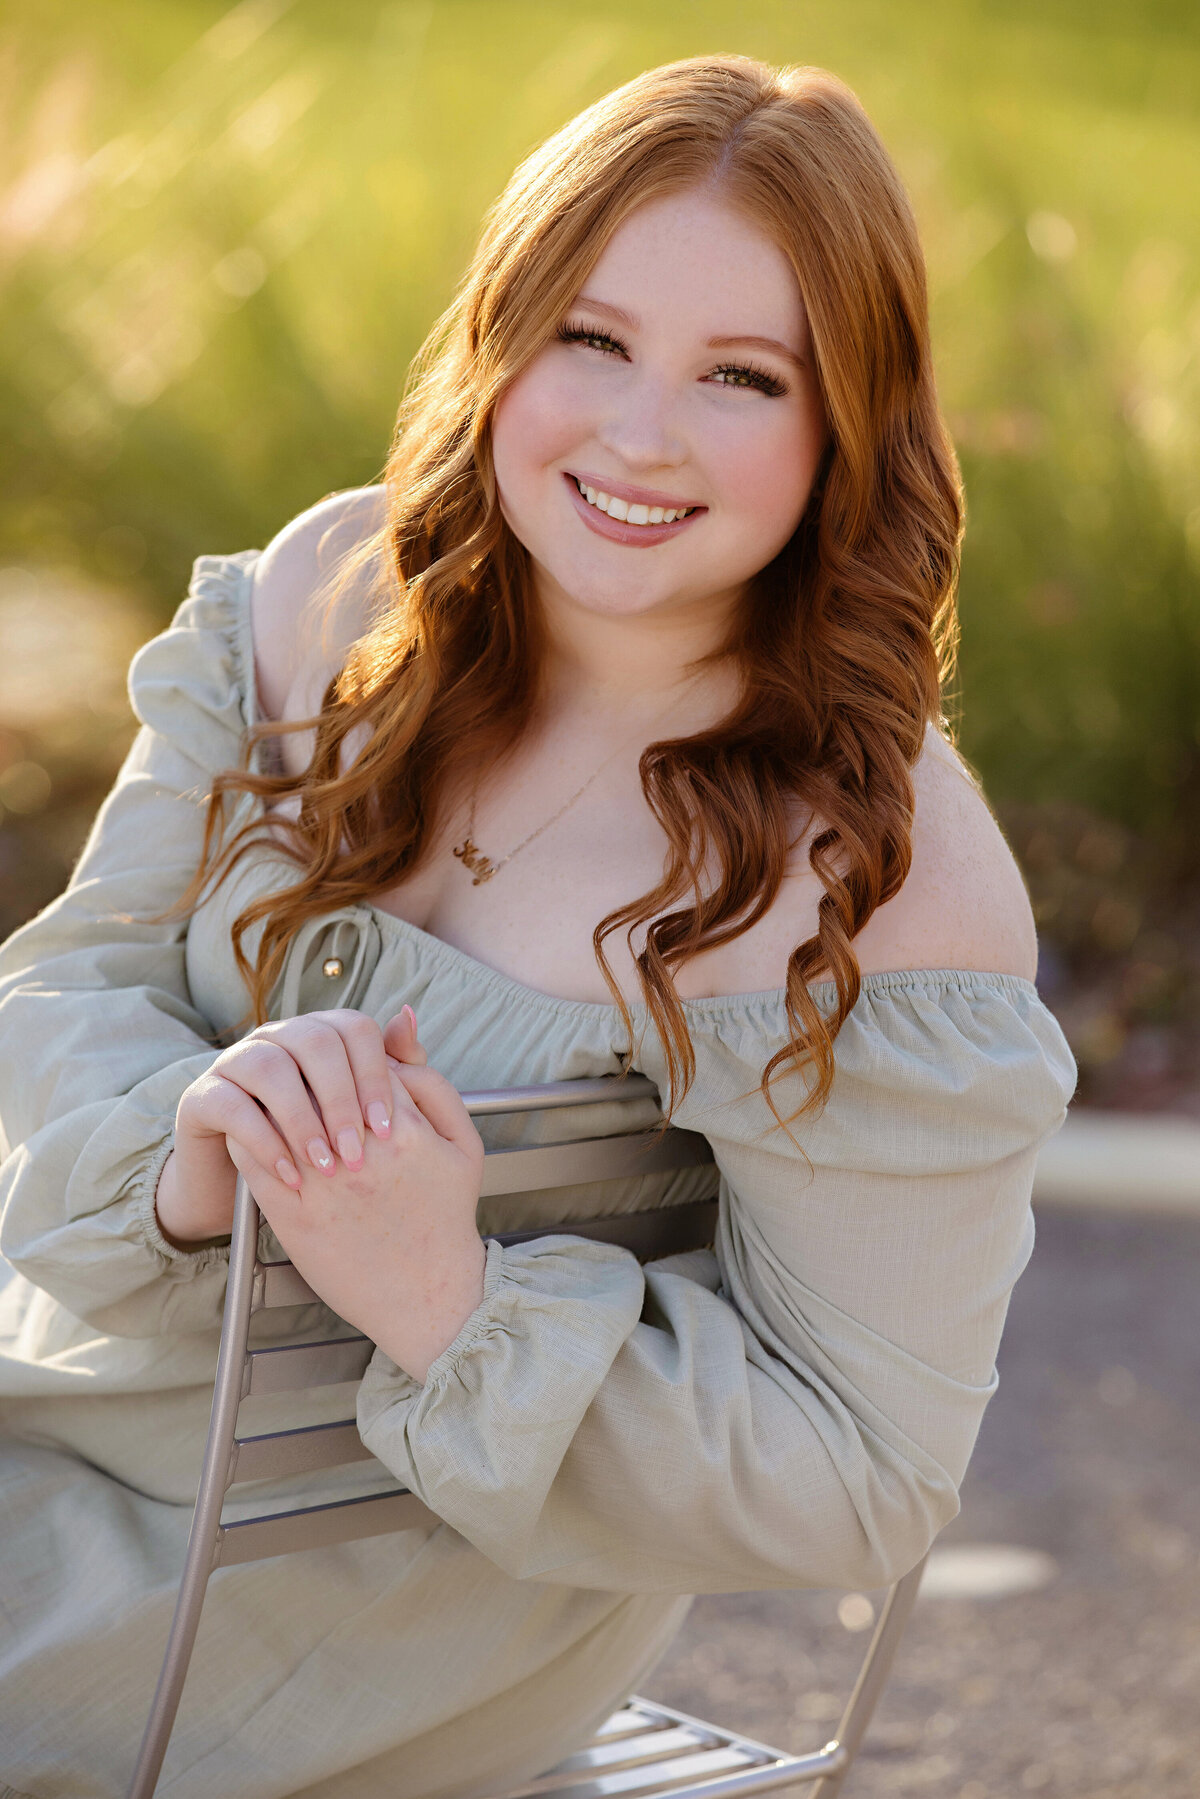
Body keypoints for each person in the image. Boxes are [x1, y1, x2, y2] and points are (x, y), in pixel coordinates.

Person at [0, 53, 1075, 1799]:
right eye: (592, 339)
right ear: (501, 340)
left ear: (844, 429)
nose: (640, 436)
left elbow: (866, 1472)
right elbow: (74, 982)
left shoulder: (870, 878)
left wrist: (450, 1297)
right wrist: (199, 1159)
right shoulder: (324, 604)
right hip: (52, 1405)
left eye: (740, 377)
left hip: (356, 1607)